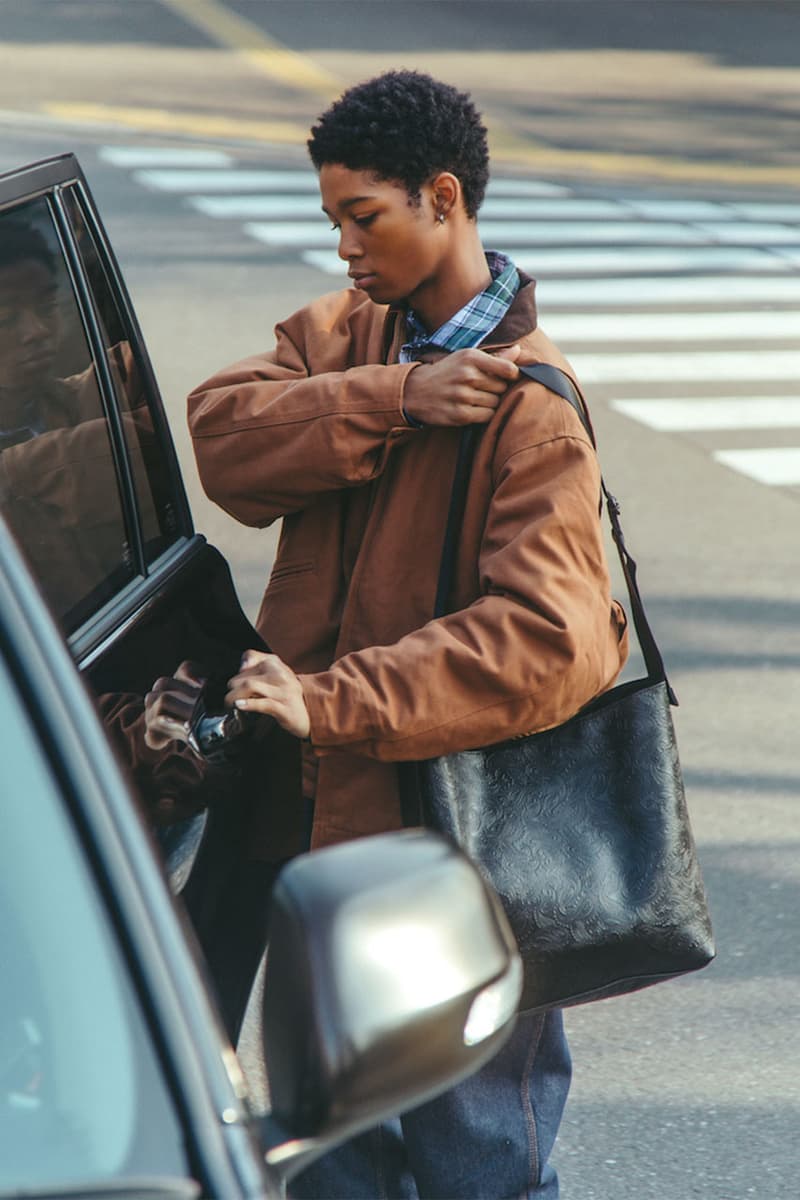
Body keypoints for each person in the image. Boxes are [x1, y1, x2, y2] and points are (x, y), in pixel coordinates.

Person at [185, 70, 629, 1199]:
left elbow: (546, 640)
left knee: (476, 1156)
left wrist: (329, 701)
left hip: (457, 846)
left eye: (363, 216)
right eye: (331, 218)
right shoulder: (345, 336)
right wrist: (395, 399)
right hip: (313, 824)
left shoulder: (531, 411)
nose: (343, 246)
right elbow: (224, 443)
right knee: (329, 1154)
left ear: (443, 197)